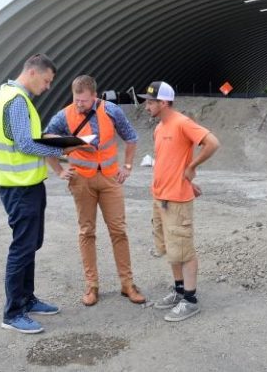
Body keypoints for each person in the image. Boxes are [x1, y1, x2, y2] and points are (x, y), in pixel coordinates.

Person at [0, 53, 82, 334]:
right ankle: (13, 312)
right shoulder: (16, 100)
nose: (48, 87)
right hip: (19, 186)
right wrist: (62, 150)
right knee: (22, 247)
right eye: (47, 81)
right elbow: (26, 145)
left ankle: (27, 299)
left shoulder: (11, 95)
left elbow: (27, 140)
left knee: (30, 244)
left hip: (26, 183)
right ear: (33, 73)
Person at [44, 75, 146, 307]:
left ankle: (127, 284)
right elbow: (45, 142)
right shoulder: (64, 115)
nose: (79, 104)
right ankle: (92, 286)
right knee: (86, 232)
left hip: (110, 178)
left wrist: (127, 166)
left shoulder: (111, 111)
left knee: (118, 230)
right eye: (76, 100)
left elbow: (131, 138)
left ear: (95, 96)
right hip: (81, 181)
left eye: (84, 101)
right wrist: (59, 170)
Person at [138, 81, 220, 322]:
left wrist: (193, 167)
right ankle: (179, 291)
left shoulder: (182, 123)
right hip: (161, 197)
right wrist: (187, 179)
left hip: (176, 200)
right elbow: (170, 161)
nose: (146, 106)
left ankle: (190, 300)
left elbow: (212, 143)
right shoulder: (159, 128)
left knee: (184, 250)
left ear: (163, 103)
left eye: (151, 102)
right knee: (171, 250)